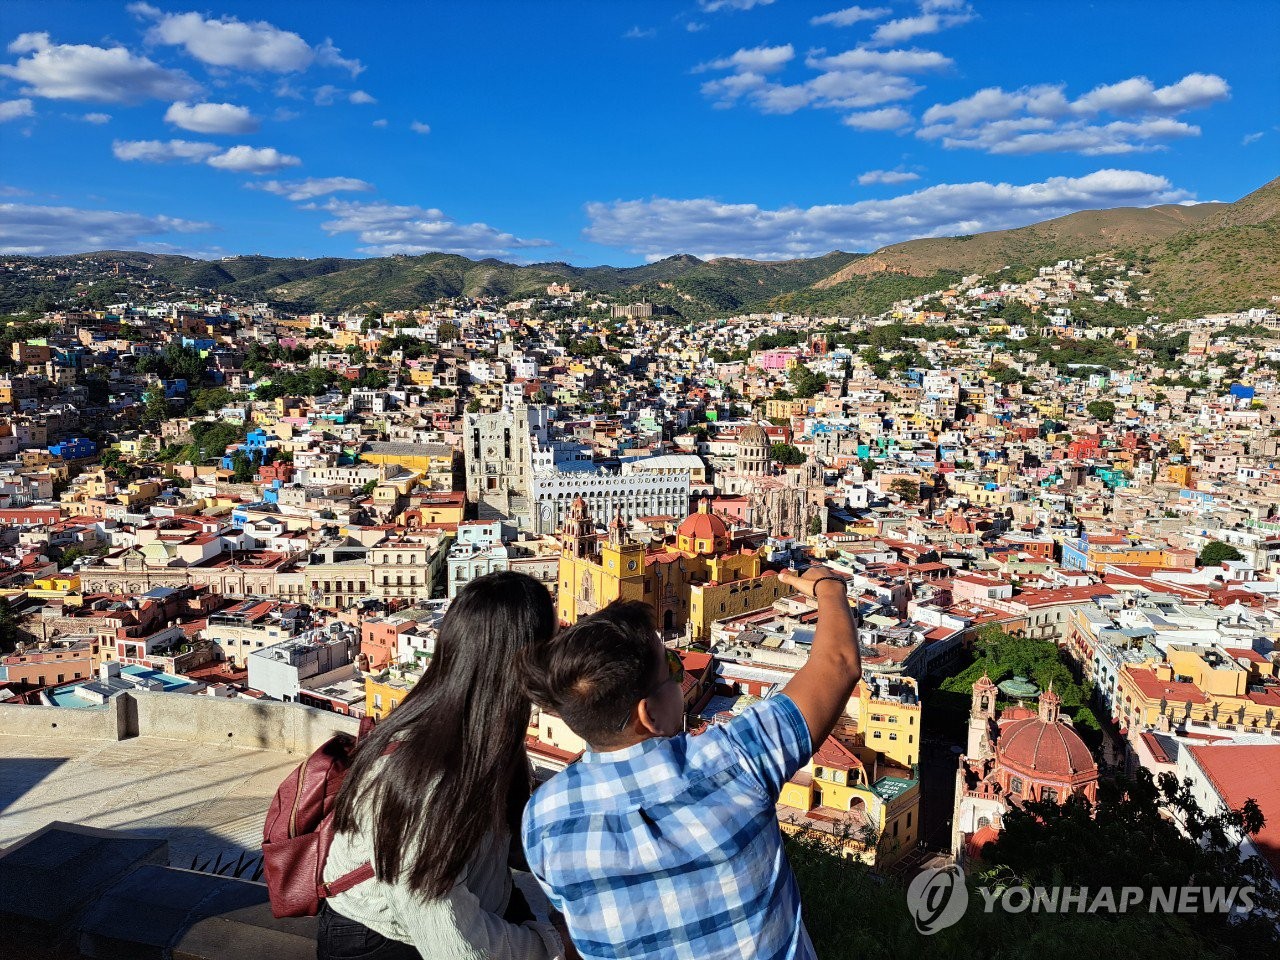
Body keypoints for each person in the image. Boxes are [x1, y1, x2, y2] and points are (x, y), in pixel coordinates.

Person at [520, 565, 860, 960]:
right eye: (674, 670)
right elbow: (838, 664)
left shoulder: (545, 821)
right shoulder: (734, 758)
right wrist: (829, 588)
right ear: (647, 715)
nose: (682, 681)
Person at [321, 571, 567, 960]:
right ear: (520, 662)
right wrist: (553, 945)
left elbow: (509, 842)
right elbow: (452, 945)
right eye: (553, 646)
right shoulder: (428, 779)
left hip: (474, 900)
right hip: (383, 941)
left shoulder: (484, 731)